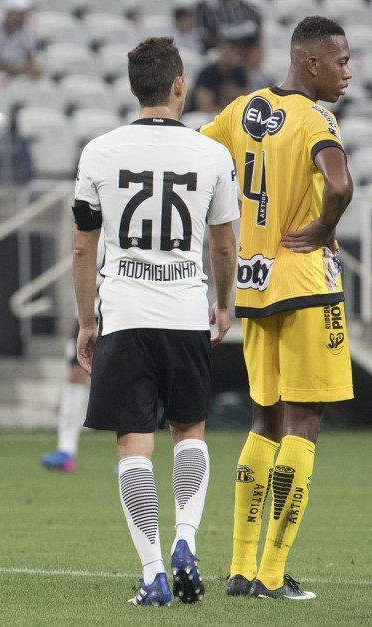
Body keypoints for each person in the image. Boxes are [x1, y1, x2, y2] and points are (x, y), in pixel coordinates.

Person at [73, 37, 238, 606]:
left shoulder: (99, 152)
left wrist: (85, 321)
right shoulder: (211, 153)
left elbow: (81, 248)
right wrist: (225, 304)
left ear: (132, 86)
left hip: (124, 313)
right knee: (189, 430)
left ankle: (152, 574)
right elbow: (222, 246)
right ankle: (186, 541)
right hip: (186, 310)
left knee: (133, 445)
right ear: (177, 85)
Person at [199, 16, 354, 600]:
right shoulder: (317, 119)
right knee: (304, 425)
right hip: (307, 283)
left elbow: (197, 155)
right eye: (340, 60)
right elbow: (339, 186)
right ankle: (270, 574)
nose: (347, 71)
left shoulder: (242, 110)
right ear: (311, 62)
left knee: (263, 423)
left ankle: (240, 569)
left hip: (255, 284)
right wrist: (321, 227)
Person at [40, 327, 89, 473]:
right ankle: (66, 451)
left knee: (123, 379)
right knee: (75, 375)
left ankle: (133, 455)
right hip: (88, 316)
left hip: (119, 314)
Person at [188, 33, 250, 113]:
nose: (227, 54)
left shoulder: (239, 73)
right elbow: (204, 106)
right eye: (223, 49)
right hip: (203, 117)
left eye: (231, 50)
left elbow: (245, 100)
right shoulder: (207, 74)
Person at [195, 0, 261, 52]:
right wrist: (225, 41)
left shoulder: (247, 7)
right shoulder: (203, 6)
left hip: (245, 51)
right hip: (217, 52)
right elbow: (203, 37)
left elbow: (258, 33)